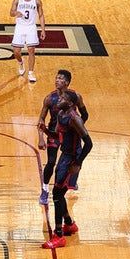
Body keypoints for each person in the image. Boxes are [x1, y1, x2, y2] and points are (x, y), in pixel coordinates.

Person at [41, 88, 91, 249]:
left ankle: (59, 235)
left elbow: (89, 143)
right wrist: (45, 131)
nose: (58, 100)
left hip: (72, 160)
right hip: (64, 157)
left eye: (61, 98)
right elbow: (57, 137)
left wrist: (78, 163)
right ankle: (69, 224)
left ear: (70, 103)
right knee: (58, 194)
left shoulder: (74, 118)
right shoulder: (60, 116)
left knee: (57, 195)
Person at [37, 70, 89, 205]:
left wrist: (78, 129)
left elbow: (85, 114)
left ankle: (70, 181)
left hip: (69, 134)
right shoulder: (49, 98)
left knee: (75, 156)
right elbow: (41, 119)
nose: (56, 80)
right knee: (51, 162)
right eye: (56, 78)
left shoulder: (75, 96)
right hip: (55, 133)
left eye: (60, 78)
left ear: (66, 82)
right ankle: (45, 189)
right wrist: (41, 137)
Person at [10, 0, 45, 82]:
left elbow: (41, 16)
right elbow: (11, 13)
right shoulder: (17, 0)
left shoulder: (37, 2)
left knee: (31, 50)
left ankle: (30, 72)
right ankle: (21, 62)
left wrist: (43, 30)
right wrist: (16, 12)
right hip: (20, 27)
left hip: (31, 27)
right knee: (16, 51)